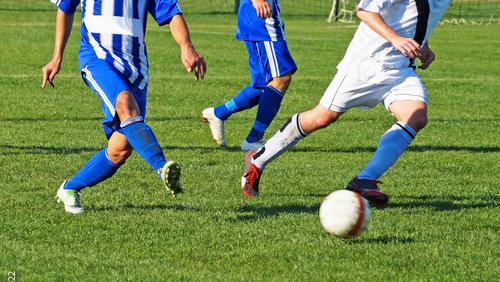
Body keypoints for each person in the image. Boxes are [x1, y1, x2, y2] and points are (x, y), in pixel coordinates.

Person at [242, 0, 451, 207]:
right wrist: (396, 39)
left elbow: (417, 16)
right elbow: (365, 10)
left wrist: (423, 44)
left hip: (401, 69)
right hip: (365, 65)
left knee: (416, 117)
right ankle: (258, 159)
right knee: (321, 118)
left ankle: (364, 179)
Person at [42, 0, 206, 214]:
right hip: (97, 57)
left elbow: (172, 13)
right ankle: (162, 167)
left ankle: (70, 187)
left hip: (136, 67)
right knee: (124, 103)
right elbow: (66, 7)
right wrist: (57, 57)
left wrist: (187, 46)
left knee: (120, 149)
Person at [201, 0, 297, 151]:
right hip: (261, 19)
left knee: (267, 83)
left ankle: (218, 113)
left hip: (263, 17)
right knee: (280, 79)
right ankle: (254, 139)